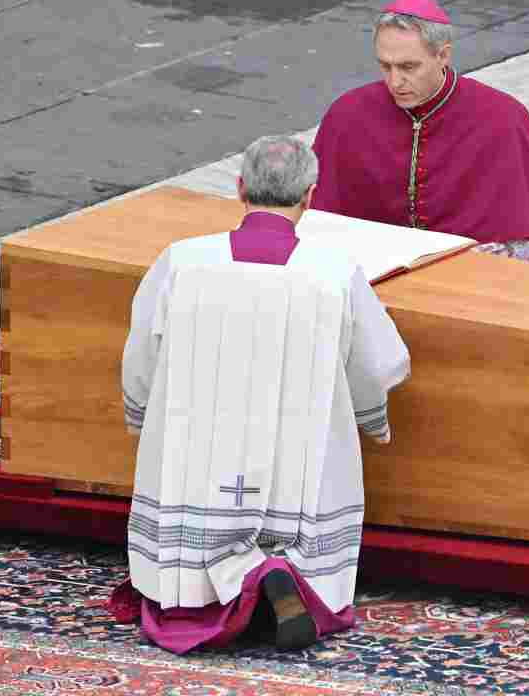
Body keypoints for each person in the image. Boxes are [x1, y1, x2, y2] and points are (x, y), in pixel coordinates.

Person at [111, 135, 411, 654]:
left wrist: (141, 415)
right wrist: (372, 419)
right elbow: (380, 362)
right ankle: (278, 572)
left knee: (191, 512)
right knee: (302, 499)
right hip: (293, 458)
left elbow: (141, 351)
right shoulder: (333, 272)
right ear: (311, 196)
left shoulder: (183, 262)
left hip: (198, 453)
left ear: (240, 188)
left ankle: (209, 590)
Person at [311, 0, 529, 264]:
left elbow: (520, 247)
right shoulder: (348, 114)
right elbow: (319, 225)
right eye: (385, 66)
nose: (395, 82)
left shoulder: (502, 118)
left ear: (443, 55)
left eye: (408, 67)